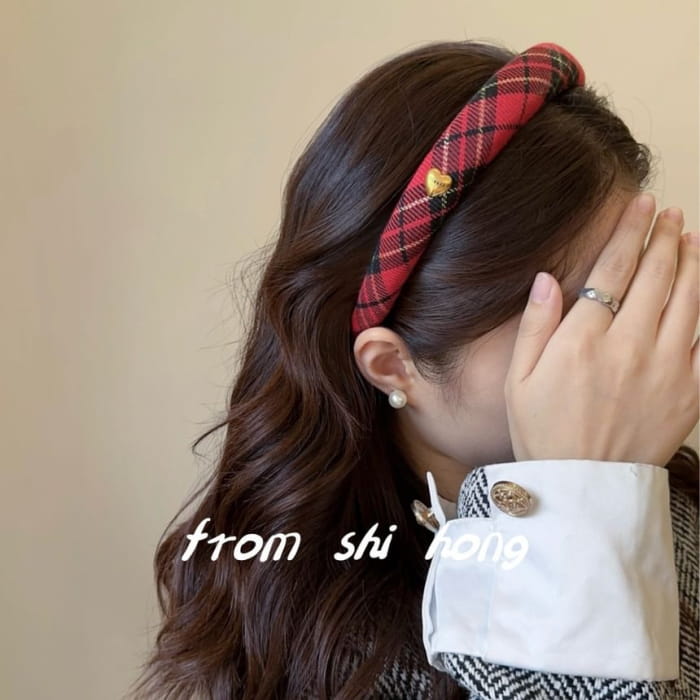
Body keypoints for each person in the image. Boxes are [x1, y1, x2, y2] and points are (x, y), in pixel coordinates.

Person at [130, 39, 699, 699]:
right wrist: (576, 506)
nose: (625, 352)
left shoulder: (669, 498)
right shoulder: (321, 644)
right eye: (579, 312)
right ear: (393, 367)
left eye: (632, 288)